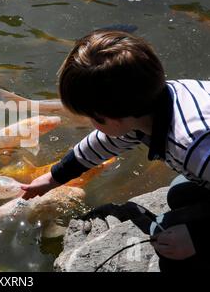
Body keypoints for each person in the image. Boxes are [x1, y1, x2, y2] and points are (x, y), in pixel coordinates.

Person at [21, 30, 210, 271]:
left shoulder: (193, 146)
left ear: (113, 119)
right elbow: (101, 144)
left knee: (175, 251)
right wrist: (53, 177)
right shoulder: (151, 103)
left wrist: (197, 239)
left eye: (92, 117)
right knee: (178, 195)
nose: (91, 124)